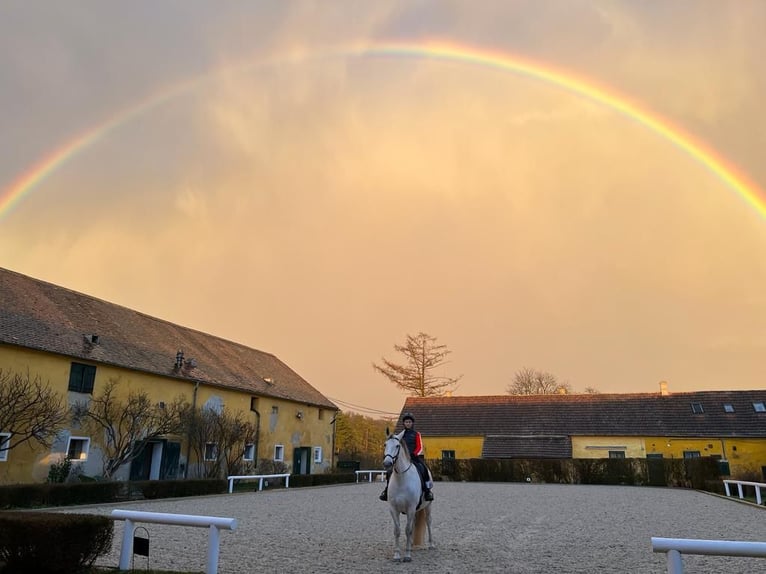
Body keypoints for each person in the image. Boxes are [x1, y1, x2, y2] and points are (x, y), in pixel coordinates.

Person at [380, 412, 434, 501]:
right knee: (390, 472)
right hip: (402, 458)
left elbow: (420, 447)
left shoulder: (416, 434)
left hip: (414, 457)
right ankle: (386, 491)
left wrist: (414, 453)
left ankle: (427, 491)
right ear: (404, 423)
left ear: (412, 423)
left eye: (409, 422)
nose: (408, 423)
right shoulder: (399, 435)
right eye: (406, 422)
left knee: (423, 468)